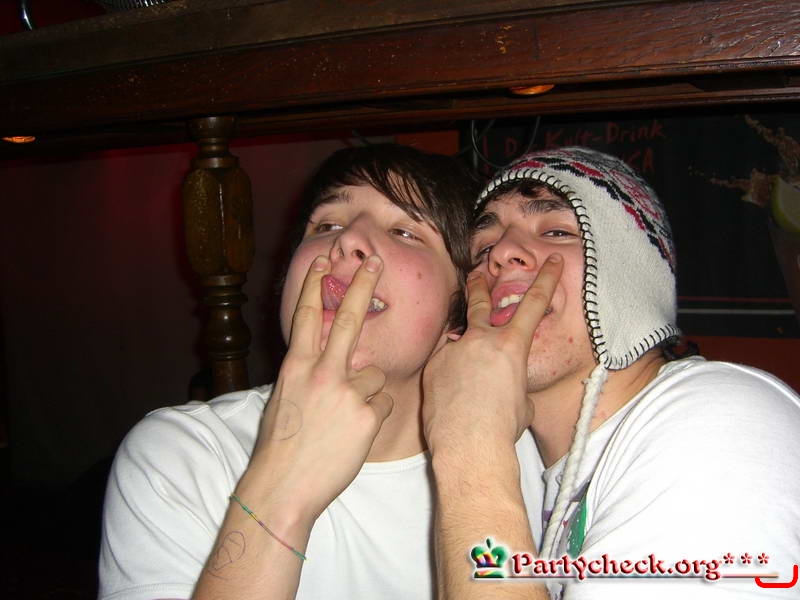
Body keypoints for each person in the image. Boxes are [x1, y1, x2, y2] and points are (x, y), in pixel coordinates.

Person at [98, 144, 547, 600]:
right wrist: (282, 487)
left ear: (463, 311)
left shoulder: (527, 454)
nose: (348, 240)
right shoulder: (186, 455)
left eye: (405, 231)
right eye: (326, 225)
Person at [422, 147, 800, 599]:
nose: (499, 254)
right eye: (483, 248)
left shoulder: (721, 424)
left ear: (629, 276)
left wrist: (470, 442)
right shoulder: (555, 479)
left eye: (557, 231)